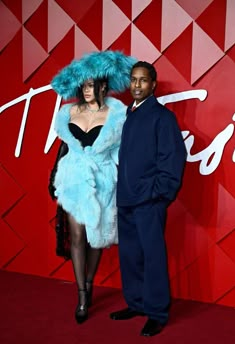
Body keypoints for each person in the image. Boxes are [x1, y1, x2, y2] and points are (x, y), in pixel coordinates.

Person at [48, 50, 137, 324]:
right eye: (83, 86)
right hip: (74, 179)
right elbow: (64, 147)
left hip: (104, 179)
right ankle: (83, 295)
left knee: (96, 238)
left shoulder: (117, 114)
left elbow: (120, 153)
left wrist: (127, 183)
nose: (86, 90)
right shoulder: (68, 112)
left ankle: (90, 279)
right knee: (76, 236)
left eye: (91, 85)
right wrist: (54, 176)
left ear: (102, 85)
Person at [110, 61, 186, 337]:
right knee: (130, 256)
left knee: (153, 257)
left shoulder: (162, 117)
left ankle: (157, 312)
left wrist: (157, 193)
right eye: (134, 80)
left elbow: (174, 159)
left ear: (153, 85)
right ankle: (137, 303)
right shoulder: (130, 114)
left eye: (143, 80)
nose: (137, 85)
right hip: (126, 199)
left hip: (148, 201)